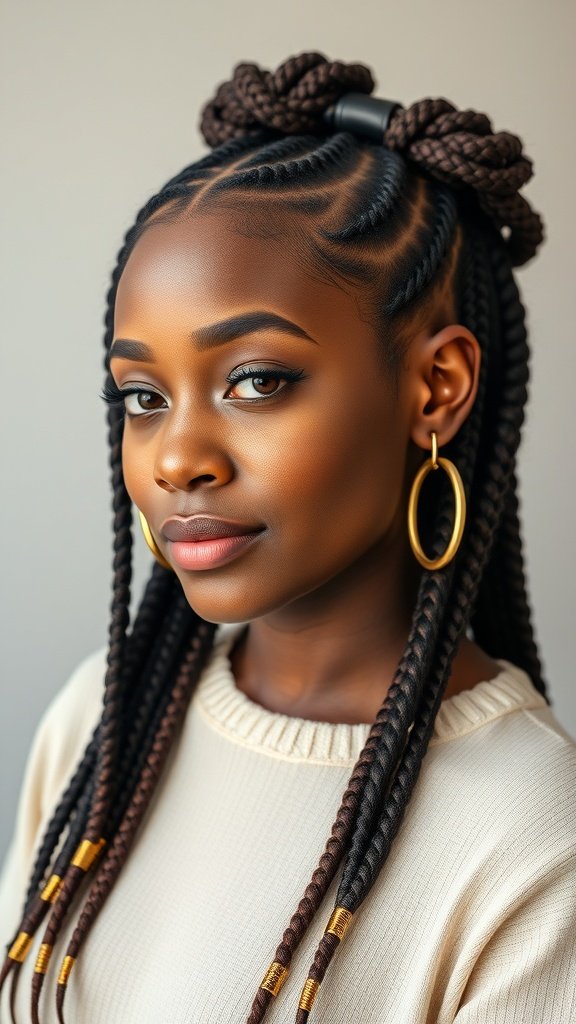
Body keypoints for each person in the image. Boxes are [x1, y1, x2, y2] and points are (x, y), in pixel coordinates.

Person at [0, 50, 574, 1024]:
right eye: (142, 396)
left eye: (257, 380)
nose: (177, 456)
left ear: (436, 388)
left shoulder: (532, 839)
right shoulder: (103, 718)